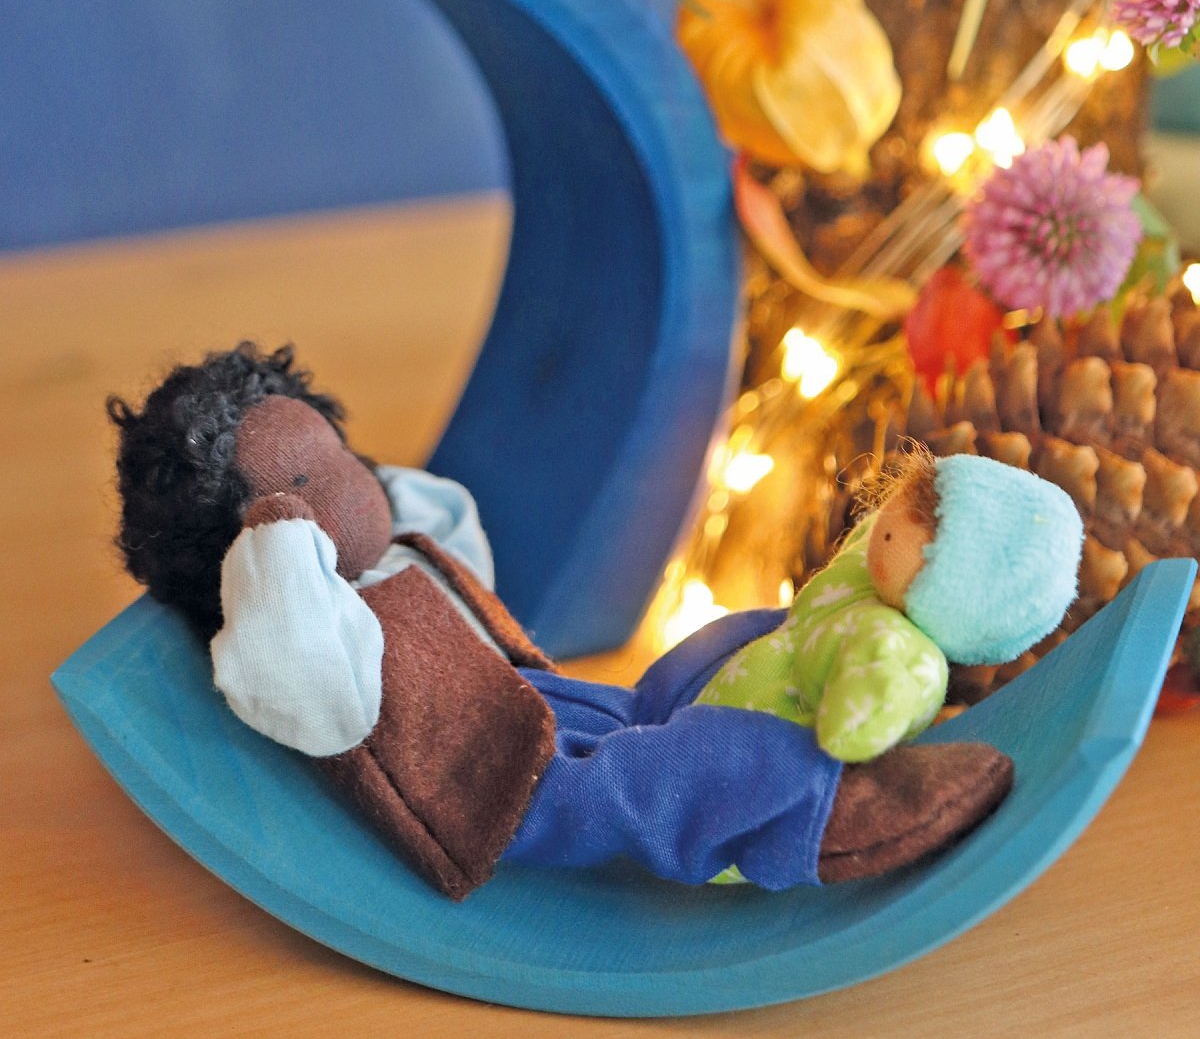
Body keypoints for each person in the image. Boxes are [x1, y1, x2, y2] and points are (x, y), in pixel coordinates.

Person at [108, 344, 1062, 899]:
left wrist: (366, 488)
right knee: (658, 777)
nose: (355, 487)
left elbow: (451, 526)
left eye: (338, 454)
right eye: (308, 481)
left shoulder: (398, 550)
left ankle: (828, 686)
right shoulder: (306, 627)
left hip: (555, 706)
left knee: (714, 653)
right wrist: (273, 548)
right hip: (499, 788)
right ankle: (816, 816)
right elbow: (291, 680)